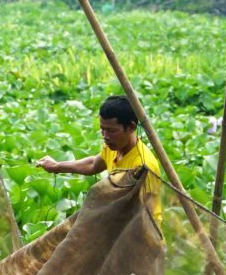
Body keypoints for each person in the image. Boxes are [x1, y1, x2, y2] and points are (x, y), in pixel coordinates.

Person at [36, 94, 162, 226]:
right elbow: (93, 164)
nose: (105, 137)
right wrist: (56, 166)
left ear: (131, 127)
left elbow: (143, 213)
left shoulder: (143, 166)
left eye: (111, 131)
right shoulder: (113, 147)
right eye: (102, 130)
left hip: (141, 231)